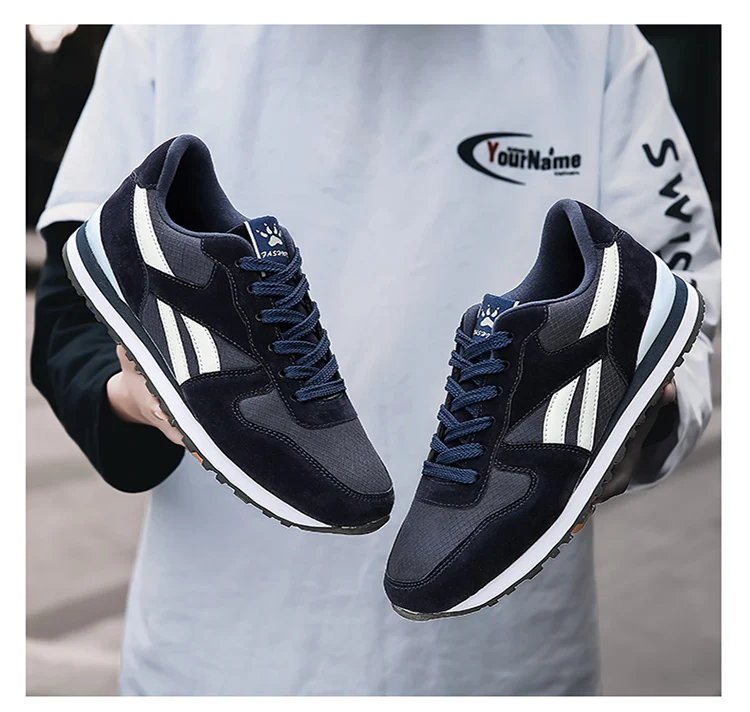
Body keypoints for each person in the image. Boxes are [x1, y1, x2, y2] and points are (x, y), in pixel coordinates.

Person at [31, 25, 720, 695]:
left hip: (508, 669)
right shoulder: (168, 29)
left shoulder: (595, 38)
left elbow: (683, 312)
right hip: (211, 658)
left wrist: (640, 420)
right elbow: (73, 313)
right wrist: (133, 400)